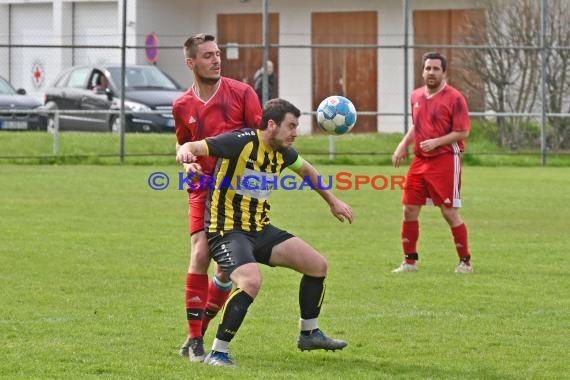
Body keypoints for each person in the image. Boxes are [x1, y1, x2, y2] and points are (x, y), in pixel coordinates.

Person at [176, 98, 353, 368]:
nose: (295, 133)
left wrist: (332, 201)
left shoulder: (283, 151)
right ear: (271, 124)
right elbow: (192, 145)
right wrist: (186, 155)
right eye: (291, 126)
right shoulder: (241, 142)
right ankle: (218, 352)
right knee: (250, 281)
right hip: (226, 230)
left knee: (317, 266)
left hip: (259, 229)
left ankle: (309, 333)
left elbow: (306, 170)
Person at [172, 33, 262, 362]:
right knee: (199, 253)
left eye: (218, 53)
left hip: (238, 193)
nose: (216, 59)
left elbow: (261, 139)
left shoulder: (242, 94)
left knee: (225, 272)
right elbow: (182, 146)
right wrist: (187, 163)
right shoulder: (182, 105)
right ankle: (196, 341)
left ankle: (199, 331)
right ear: (191, 62)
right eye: (208, 55)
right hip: (201, 188)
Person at [392, 52, 473, 274]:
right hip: (420, 161)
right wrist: (402, 145)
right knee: (409, 209)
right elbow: (416, 125)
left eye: (436, 69)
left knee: (448, 211)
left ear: (444, 72)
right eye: (428, 68)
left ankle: (465, 262)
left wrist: (437, 142)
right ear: (423, 71)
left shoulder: (455, 98)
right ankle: (409, 262)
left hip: (445, 159)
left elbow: (463, 131)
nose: (431, 72)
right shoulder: (416, 95)